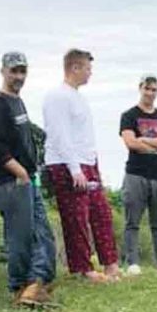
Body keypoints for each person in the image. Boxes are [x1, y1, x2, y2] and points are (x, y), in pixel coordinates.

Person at [0, 51, 57, 308]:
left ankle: (36, 285)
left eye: (23, 71)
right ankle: (20, 286)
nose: (19, 76)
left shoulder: (17, 102)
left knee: (42, 234)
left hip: (28, 179)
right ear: (3, 71)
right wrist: (19, 172)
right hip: (9, 182)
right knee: (20, 237)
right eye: (14, 71)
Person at [42, 49, 120, 282]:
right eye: (87, 68)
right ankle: (82, 268)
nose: (90, 73)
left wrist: (92, 163)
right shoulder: (57, 96)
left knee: (101, 213)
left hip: (88, 162)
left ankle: (111, 265)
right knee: (76, 218)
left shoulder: (79, 97)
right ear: (74, 68)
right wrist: (74, 169)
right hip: (66, 163)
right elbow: (60, 134)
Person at [119, 75, 157, 276]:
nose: (150, 93)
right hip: (135, 174)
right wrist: (155, 144)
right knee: (132, 221)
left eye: (154, 90)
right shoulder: (129, 116)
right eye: (147, 88)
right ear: (140, 88)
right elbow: (130, 142)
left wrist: (143, 140)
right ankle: (133, 262)